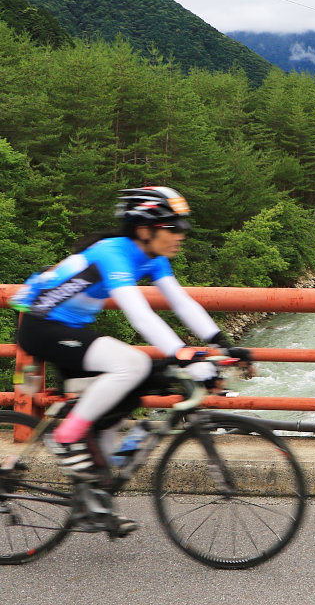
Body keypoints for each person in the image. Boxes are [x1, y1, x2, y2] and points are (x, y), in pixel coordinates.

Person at [8, 187, 235, 493]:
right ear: (145, 230)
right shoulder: (112, 252)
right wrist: (182, 353)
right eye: (173, 227)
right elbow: (139, 314)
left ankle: (94, 498)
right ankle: (66, 437)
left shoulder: (152, 256)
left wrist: (223, 343)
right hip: (43, 327)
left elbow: (182, 303)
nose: (182, 233)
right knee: (133, 363)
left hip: (70, 330)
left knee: (127, 392)